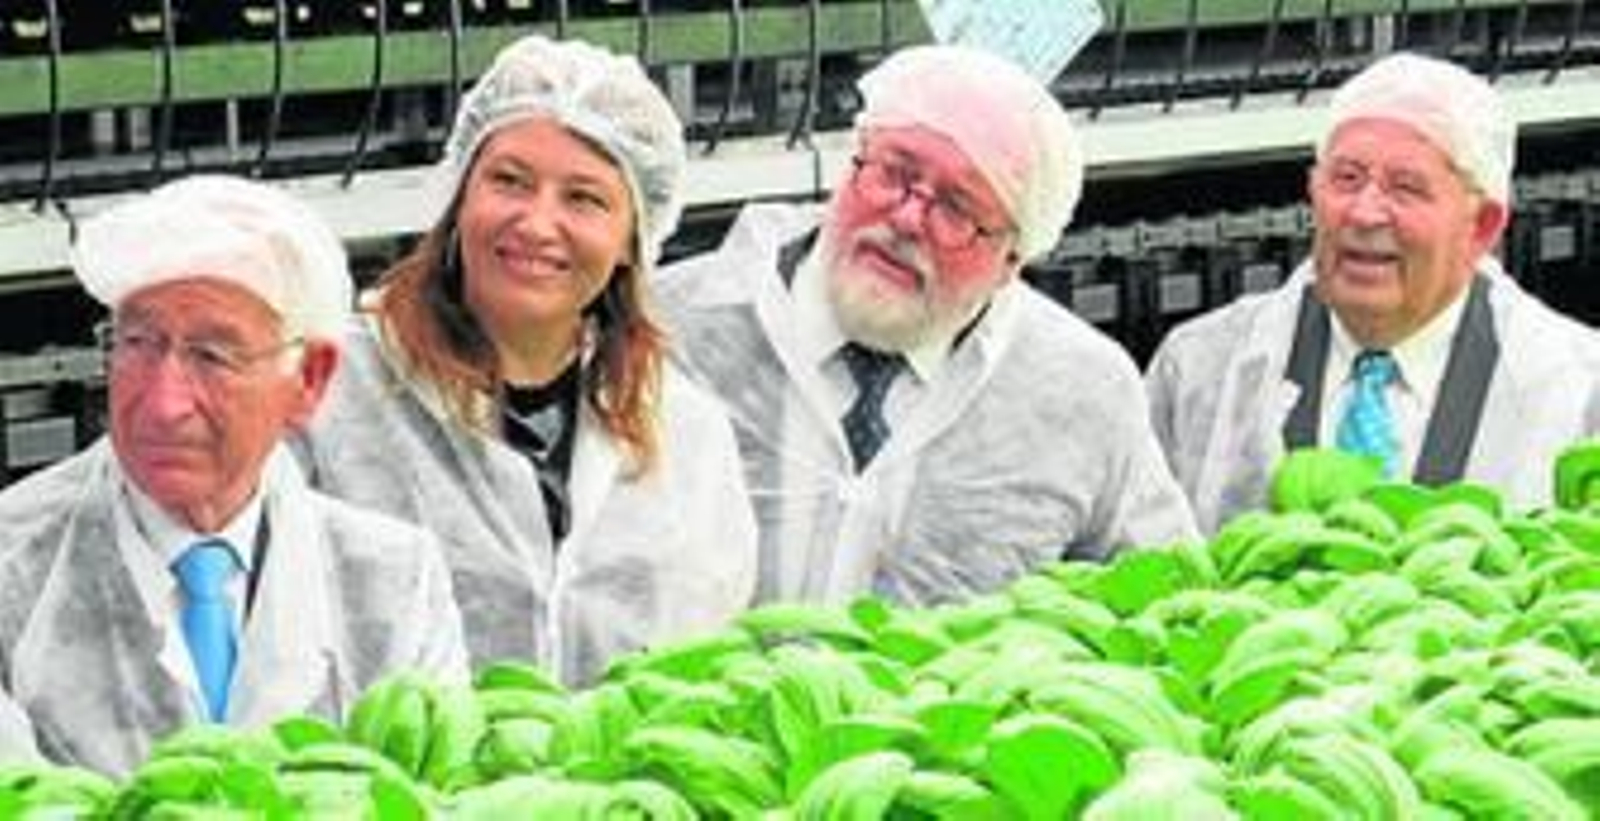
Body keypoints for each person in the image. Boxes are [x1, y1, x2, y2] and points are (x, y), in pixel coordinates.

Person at [652, 44, 1200, 608]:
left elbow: (1167, 602)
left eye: (958, 209)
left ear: (1012, 262)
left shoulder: (1083, 391)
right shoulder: (670, 331)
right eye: (894, 173)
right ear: (853, 161)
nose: (909, 218)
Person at [294, 34, 757, 685]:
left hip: (619, 783)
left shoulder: (686, 431)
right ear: (459, 199)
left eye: (584, 198)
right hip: (391, 783)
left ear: (633, 238)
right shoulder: (329, 391)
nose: (537, 224)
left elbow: (714, 651)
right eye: (509, 181)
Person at [0, 175, 468, 775]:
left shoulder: (395, 582)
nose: (164, 402)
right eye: (137, 343)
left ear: (309, 380)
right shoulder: (15, 567)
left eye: (212, 356)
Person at [1146, 51, 1600, 535]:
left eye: (1406, 189)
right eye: (1347, 179)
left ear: (1482, 226)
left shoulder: (1580, 388)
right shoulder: (1198, 367)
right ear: (1313, 192)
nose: (1364, 214)